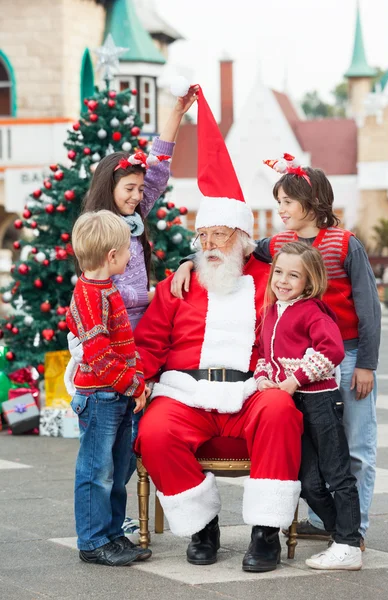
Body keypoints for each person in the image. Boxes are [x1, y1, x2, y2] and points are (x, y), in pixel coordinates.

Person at [133, 85, 303, 573]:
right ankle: (201, 528)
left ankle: (266, 532)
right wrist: (139, 381)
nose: (209, 244)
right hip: (188, 395)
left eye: (219, 235)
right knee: (156, 430)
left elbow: (297, 326)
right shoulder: (180, 283)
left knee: (279, 410)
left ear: (244, 239)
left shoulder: (273, 279)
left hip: (251, 393)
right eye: (202, 236)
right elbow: (149, 343)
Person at [172, 155, 381, 549]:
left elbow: (369, 307)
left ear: (312, 201)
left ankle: (356, 526)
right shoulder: (281, 243)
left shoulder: (345, 243)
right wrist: (188, 260)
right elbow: (235, 246)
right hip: (300, 364)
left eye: (286, 202)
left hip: (347, 354)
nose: (280, 209)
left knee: (355, 445)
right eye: (279, 202)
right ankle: (324, 519)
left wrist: (366, 363)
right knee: (317, 442)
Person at [80, 86, 198, 539]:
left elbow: (159, 168)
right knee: (104, 449)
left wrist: (174, 113)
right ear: (109, 187)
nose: (136, 195)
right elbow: (105, 294)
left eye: (137, 190)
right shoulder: (98, 230)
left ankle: (113, 520)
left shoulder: (135, 217)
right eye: (128, 189)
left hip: (139, 342)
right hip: (109, 346)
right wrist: (158, 292)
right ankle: (101, 530)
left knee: (127, 445)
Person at [256, 241, 362, 570]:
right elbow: (263, 354)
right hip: (290, 406)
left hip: (320, 402)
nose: (283, 280)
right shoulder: (272, 311)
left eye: (294, 275)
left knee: (337, 473)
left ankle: (348, 542)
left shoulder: (313, 311)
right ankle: (343, 536)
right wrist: (263, 379)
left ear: (309, 281)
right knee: (308, 479)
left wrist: (295, 379)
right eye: (278, 272)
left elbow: (331, 350)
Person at [66, 211, 151, 567]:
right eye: (128, 250)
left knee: (116, 470)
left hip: (115, 394)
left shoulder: (106, 288)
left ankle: (113, 534)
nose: (133, 255)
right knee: (96, 471)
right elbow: (99, 355)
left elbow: (119, 346)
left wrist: (133, 380)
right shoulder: (89, 295)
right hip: (100, 397)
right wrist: (135, 386)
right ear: (111, 257)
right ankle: (92, 540)